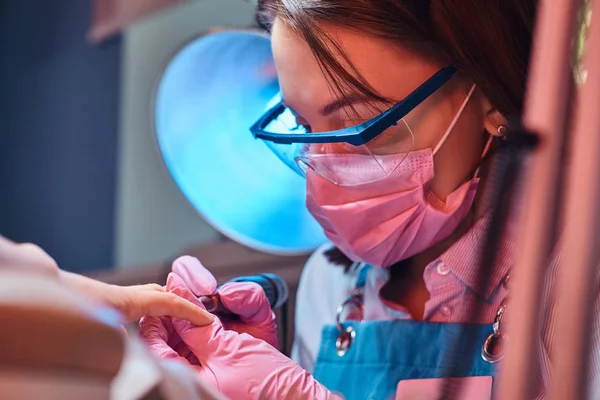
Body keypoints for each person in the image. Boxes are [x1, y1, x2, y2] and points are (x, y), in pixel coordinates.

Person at [141, 0, 600, 399]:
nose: (324, 176)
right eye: (303, 127)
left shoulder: (578, 284)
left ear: (491, 98)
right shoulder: (333, 287)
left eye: (362, 127)